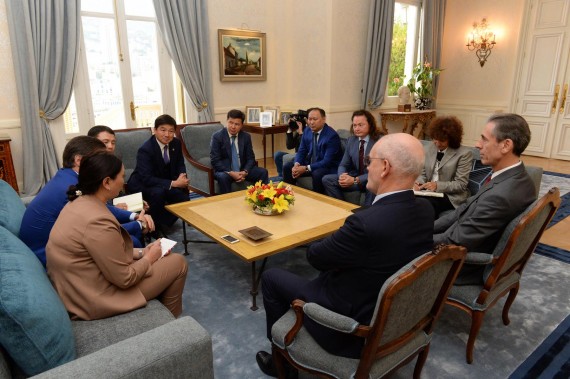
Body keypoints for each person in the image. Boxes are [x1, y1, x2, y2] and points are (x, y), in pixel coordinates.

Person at [256, 133, 434, 376]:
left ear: (384, 167)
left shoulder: (364, 224)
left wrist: (331, 236)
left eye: (370, 161)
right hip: (390, 312)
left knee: (271, 277)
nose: (367, 167)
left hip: (348, 327)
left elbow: (316, 258)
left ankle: (282, 364)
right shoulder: (426, 209)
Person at [46, 152, 188, 320]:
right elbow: (125, 278)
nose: (123, 181)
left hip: (79, 286)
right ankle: (171, 323)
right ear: (106, 182)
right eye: (121, 176)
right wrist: (149, 258)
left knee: (158, 256)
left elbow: (104, 253)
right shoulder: (97, 221)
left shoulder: (77, 202)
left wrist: (143, 252)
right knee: (178, 262)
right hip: (94, 298)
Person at [19, 136, 154, 267]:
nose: (102, 162)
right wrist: (139, 225)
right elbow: (97, 228)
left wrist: (133, 216)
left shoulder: (66, 176)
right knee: (131, 241)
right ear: (79, 160)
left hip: (51, 245)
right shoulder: (72, 187)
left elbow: (101, 208)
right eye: (98, 158)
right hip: (47, 256)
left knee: (130, 240)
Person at [434, 113, 536, 261]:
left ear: (506, 145)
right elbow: (463, 209)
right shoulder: (512, 177)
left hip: (457, 265)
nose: (477, 144)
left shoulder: (501, 196)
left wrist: (410, 240)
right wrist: (425, 229)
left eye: (484, 139)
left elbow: (452, 242)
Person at [127, 114, 189, 228]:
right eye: (163, 130)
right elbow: (146, 178)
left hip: (163, 181)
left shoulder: (176, 143)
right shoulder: (145, 149)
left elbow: (180, 163)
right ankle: (154, 227)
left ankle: (164, 222)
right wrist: (173, 183)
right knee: (158, 194)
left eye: (171, 131)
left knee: (183, 196)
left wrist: (182, 176)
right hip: (143, 183)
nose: (167, 134)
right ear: (155, 130)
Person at [414, 116, 473, 217]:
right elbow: (423, 174)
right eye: (434, 139)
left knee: (427, 204)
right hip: (428, 191)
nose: (436, 143)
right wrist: (418, 183)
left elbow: (461, 184)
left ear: (451, 139)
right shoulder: (428, 149)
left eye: (441, 140)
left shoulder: (464, 154)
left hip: (450, 195)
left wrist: (437, 185)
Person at [322, 109, 382, 206]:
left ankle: (365, 215)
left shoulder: (379, 141)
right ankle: (344, 208)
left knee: (373, 184)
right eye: (354, 125)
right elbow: (343, 164)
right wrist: (342, 176)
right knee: (327, 179)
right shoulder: (351, 140)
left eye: (360, 125)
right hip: (355, 179)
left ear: (370, 125)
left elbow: (378, 171)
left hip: (371, 180)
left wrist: (355, 180)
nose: (357, 128)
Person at [282, 108, 342, 194]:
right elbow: (301, 151)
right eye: (310, 119)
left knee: (317, 173)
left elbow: (327, 161)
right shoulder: (307, 130)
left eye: (315, 119)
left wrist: (306, 168)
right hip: (310, 164)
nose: (312, 122)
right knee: (288, 167)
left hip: (327, 167)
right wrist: (297, 164)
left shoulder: (331, 136)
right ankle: (288, 196)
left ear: (324, 119)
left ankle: (317, 201)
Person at [210, 109, 269, 194]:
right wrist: (231, 172)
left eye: (237, 124)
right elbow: (215, 161)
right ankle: (228, 204)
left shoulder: (246, 137)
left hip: (242, 170)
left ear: (241, 125)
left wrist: (245, 171)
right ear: (227, 121)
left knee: (263, 172)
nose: (233, 126)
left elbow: (251, 158)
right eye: (230, 122)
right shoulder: (217, 137)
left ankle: (261, 199)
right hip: (225, 171)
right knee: (223, 177)